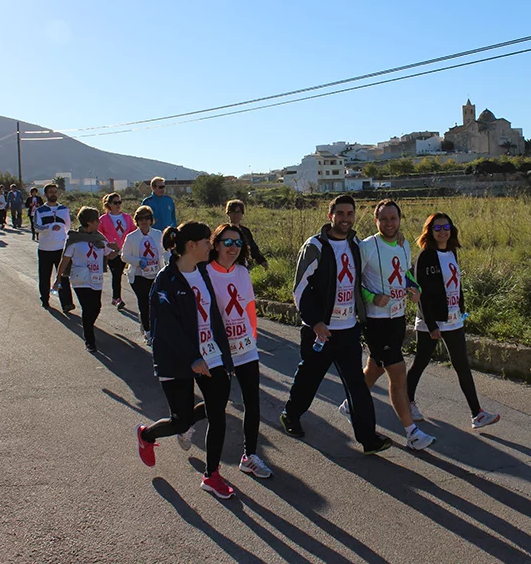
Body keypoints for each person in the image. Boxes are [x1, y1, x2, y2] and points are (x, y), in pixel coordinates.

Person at [280, 195, 391, 455]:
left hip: (349, 330)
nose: (345, 218)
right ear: (330, 216)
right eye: (340, 213)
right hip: (321, 331)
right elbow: (299, 289)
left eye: (350, 213)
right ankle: (290, 415)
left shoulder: (355, 243)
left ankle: (368, 439)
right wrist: (315, 322)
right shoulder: (315, 246)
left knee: (357, 386)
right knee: (309, 379)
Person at [135, 221, 237, 500]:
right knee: (180, 422)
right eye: (207, 242)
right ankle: (147, 435)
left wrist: (225, 357)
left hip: (211, 353)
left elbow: (214, 316)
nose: (211, 246)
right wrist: (192, 357)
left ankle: (211, 475)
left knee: (218, 411)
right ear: (191, 246)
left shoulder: (204, 271)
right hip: (177, 357)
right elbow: (166, 327)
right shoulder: (165, 281)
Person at [346, 200, 435, 450]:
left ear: (399, 219)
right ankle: (412, 433)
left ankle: (352, 401)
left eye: (393, 218)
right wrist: (371, 297)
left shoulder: (404, 243)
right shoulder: (367, 247)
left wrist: (414, 288)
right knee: (397, 372)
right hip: (376, 321)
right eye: (383, 219)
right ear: (376, 221)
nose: (389, 223)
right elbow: (351, 281)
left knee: (375, 366)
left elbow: (405, 273)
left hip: (397, 317)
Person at [407, 213, 500, 431]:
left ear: (452, 229)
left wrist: (461, 309)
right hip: (432, 320)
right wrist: (431, 325)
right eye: (437, 228)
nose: (442, 231)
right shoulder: (426, 256)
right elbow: (422, 293)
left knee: (462, 366)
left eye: (446, 227)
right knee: (421, 362)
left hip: (453, 318)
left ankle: (477, 414)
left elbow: (455, 284)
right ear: (429, 231)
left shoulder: (451, 252)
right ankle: (407, 401)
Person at [207, 224, 272, 478]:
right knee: (216, 404)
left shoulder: (243, 272)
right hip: (218, 350)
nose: (233, 248)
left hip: (245, 347)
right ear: (216, 244)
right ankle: (184, 421)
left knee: (252, 402)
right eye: (227, 242)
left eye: (238, 243)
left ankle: (250, 456)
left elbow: (249, 308)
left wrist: (251, 339)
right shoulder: (205, 274)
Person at [56, 207, 117, 353]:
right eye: (96, 220)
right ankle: (90, 340)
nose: (98, 223)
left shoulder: (99, 239)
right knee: (87, 307)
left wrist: (117, 249)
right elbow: (64, 260)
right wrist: (58, 278)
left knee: (96, 307)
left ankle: (88, 327)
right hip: (80, 279)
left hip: (96, 278)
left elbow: (110, 255)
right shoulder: (74, 240)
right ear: (90, 222)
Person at [121, 205, 162, 345]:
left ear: (151, 220)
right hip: (138, 276)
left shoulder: (158, 234)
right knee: (144, 303)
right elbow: (124, 256)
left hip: (156, 274)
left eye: (146, 218)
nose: (144, 221)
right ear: (136, 221)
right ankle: (148, 332)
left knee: (155, 303)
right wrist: (138, 261)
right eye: (140, 218)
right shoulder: (131, 237)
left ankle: (154, 328)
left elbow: (165, 252)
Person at [35, 183, 75, 311]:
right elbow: (37, 227)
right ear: (46, 194)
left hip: (60, 248)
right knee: (45, 276)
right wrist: (50, 227)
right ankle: (45, 299)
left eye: (55, 192)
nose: (53, 194)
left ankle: (67, 303)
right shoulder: (40, 211)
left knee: (63, 275)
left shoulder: (64, 209)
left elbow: (68, 227)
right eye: (51, 192)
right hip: (45, 248)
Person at [97, 192, 135, 311]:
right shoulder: (103, 219)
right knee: (117, 274)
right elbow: (99, 236)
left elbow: (133, 232)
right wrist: (106, 250)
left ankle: (116, 297)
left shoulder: (127, 218)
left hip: (125, 250)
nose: (118, 205)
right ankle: (116, 298)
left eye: (120, 202)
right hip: (112, 252)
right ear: (109, 204)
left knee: (121, 273)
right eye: (115, 202)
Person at [225, 199, 268, 269]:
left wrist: (262, 261)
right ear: (228, 213)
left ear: (242, 213)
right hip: (226, 265)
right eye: (232, 211)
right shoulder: (222, 231)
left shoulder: (245, 231)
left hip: (243, 265)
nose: (235, 215)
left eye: (238, 212)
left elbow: (253, 248)